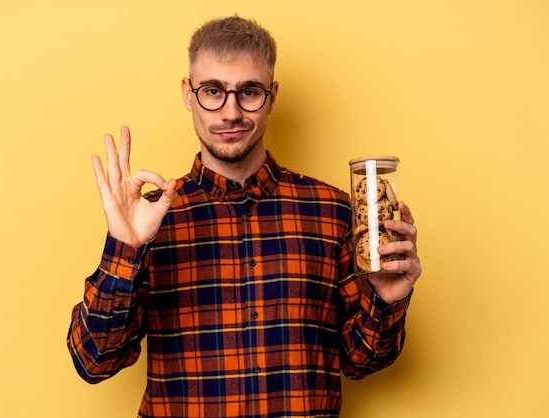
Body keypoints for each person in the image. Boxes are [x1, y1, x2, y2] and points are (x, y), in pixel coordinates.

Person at [67, 15, 422, 417]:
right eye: (213, 90)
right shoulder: (147, 219)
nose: (231, 112)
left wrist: (387, 299)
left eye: (249, 91)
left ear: (272, 96)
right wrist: (124, 249)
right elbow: (93, 362)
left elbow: (362, 361)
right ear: (188, 93)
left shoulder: (334, 211)